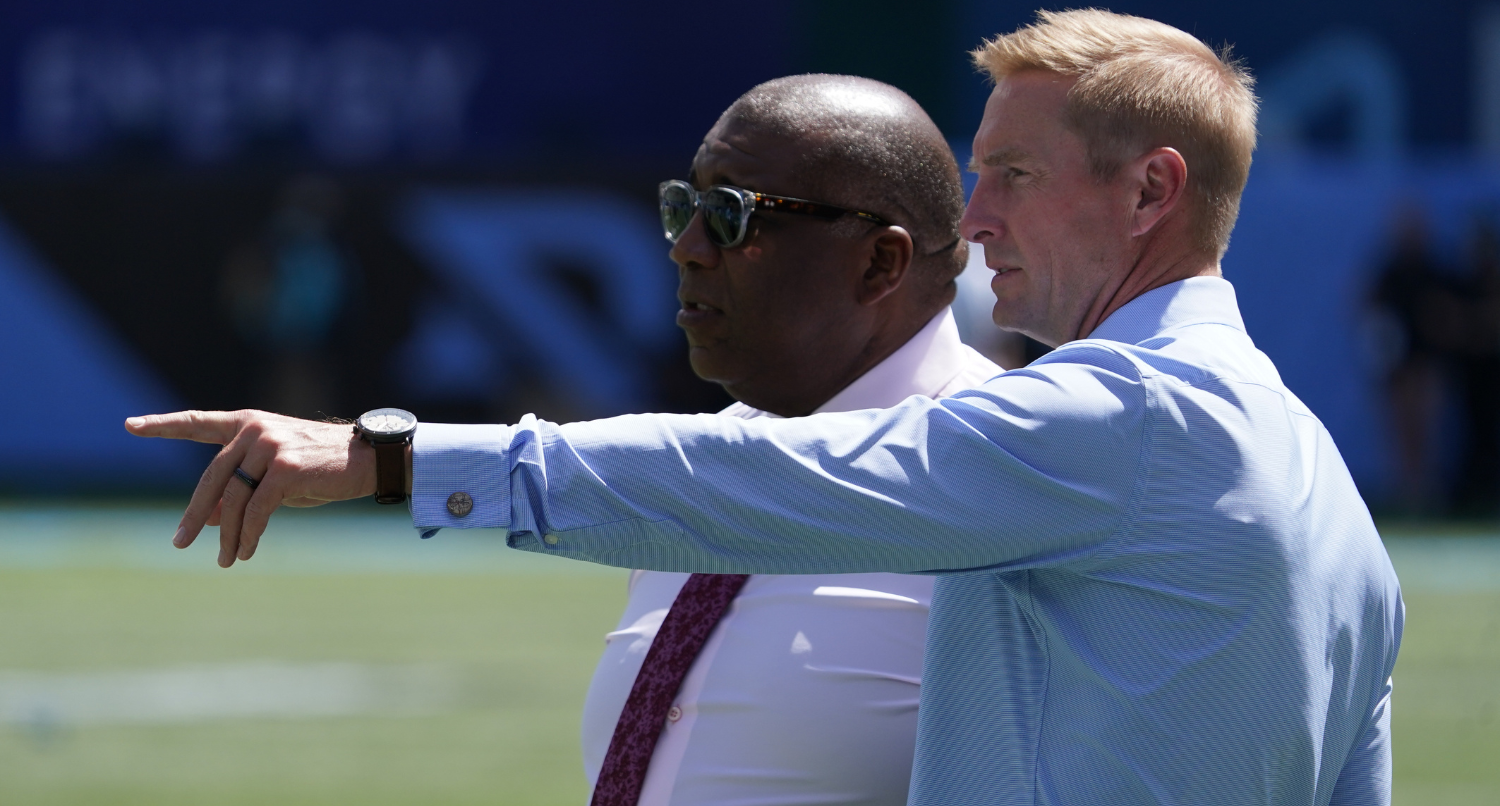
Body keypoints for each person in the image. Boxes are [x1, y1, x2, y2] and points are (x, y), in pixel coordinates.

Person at [128, 9, 1404, 805]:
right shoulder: (1330, 493)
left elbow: (783, 482)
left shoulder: (1120, 417)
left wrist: (395, 459)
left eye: (1014, 174)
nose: (976, 220)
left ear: (1152, 192)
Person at [577, 75, 997, 805]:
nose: (687, 248)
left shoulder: (1008, 466)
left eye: (733, 215)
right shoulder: (713, 456)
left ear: (879, 263)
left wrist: (396, 465)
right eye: (685, 207)